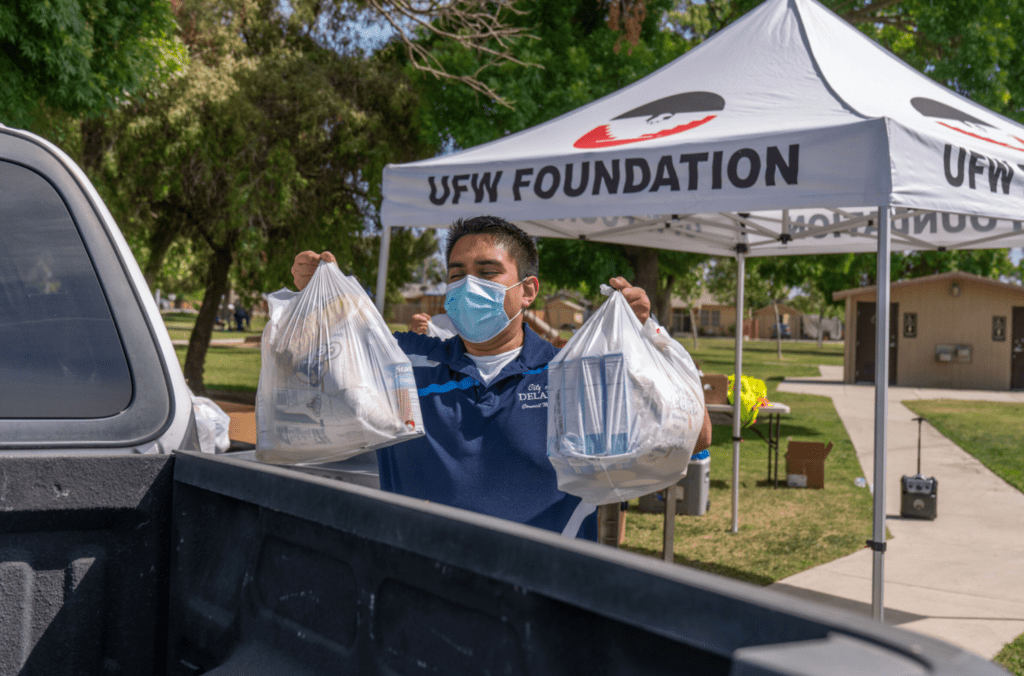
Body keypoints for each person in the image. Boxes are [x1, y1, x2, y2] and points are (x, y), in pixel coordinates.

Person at [291, 215, 712, 540]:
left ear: (528, 291)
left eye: (488, 272)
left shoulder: (570, 373)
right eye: (457, 274)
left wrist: (646, 342)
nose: (468, 285)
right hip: (419, 585)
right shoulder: (404, 363)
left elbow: (697, 435)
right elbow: (310, 359)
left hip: (541, 595)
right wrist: (317, 298)